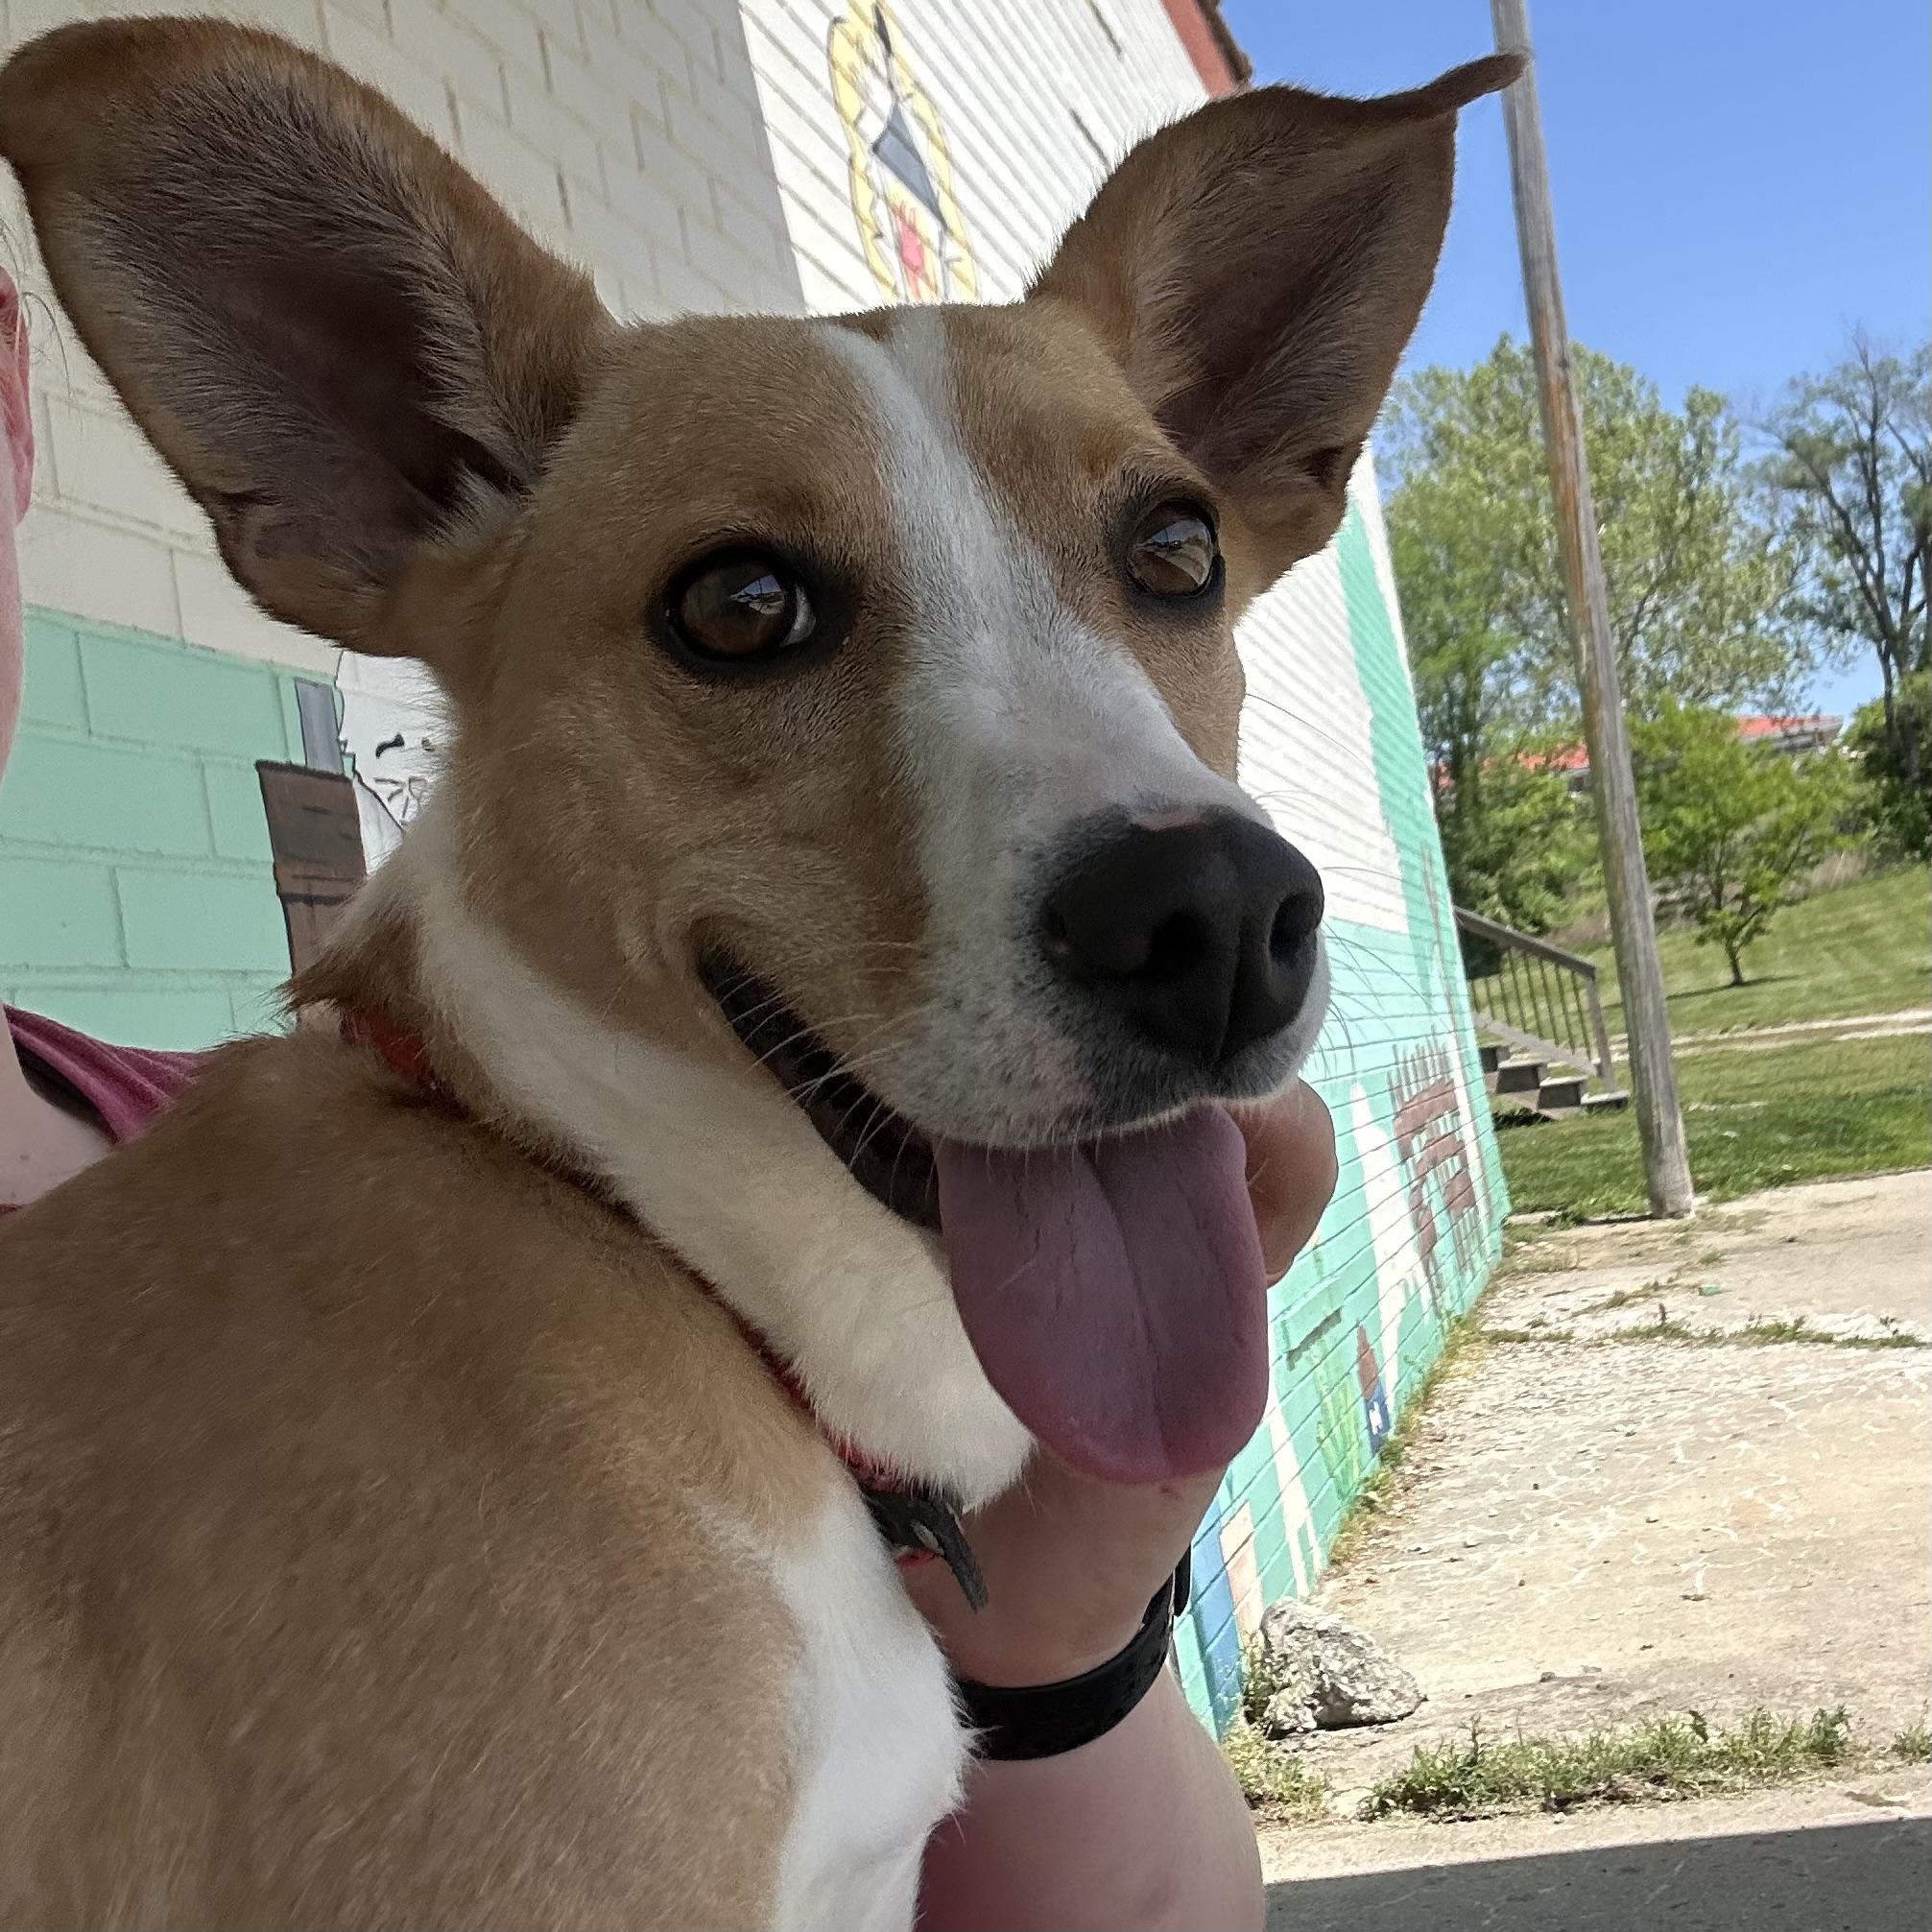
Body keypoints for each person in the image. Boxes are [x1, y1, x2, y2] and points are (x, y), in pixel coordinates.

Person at [0, 258, 1338, 1925]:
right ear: (385, 490)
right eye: (753, 609)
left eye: (1161, 555)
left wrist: (1053, 1645)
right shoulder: (302, 1364)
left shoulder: (701, 1345)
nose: (1169, 842)